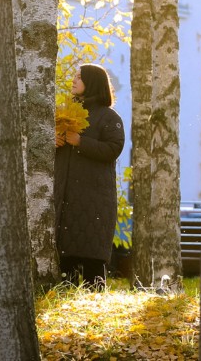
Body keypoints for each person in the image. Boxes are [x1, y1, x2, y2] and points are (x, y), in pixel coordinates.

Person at [54, 64, 125, 290]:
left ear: (92, 82)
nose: (73, 80)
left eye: (79, 77)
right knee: (66, 262)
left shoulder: (109, 117)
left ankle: (94, 309)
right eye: (74, 76)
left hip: (94, 200)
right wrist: (52, 141)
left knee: (91, 260)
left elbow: (114, 148)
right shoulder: (64, 113)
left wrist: (81, 142)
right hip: (66, 196)